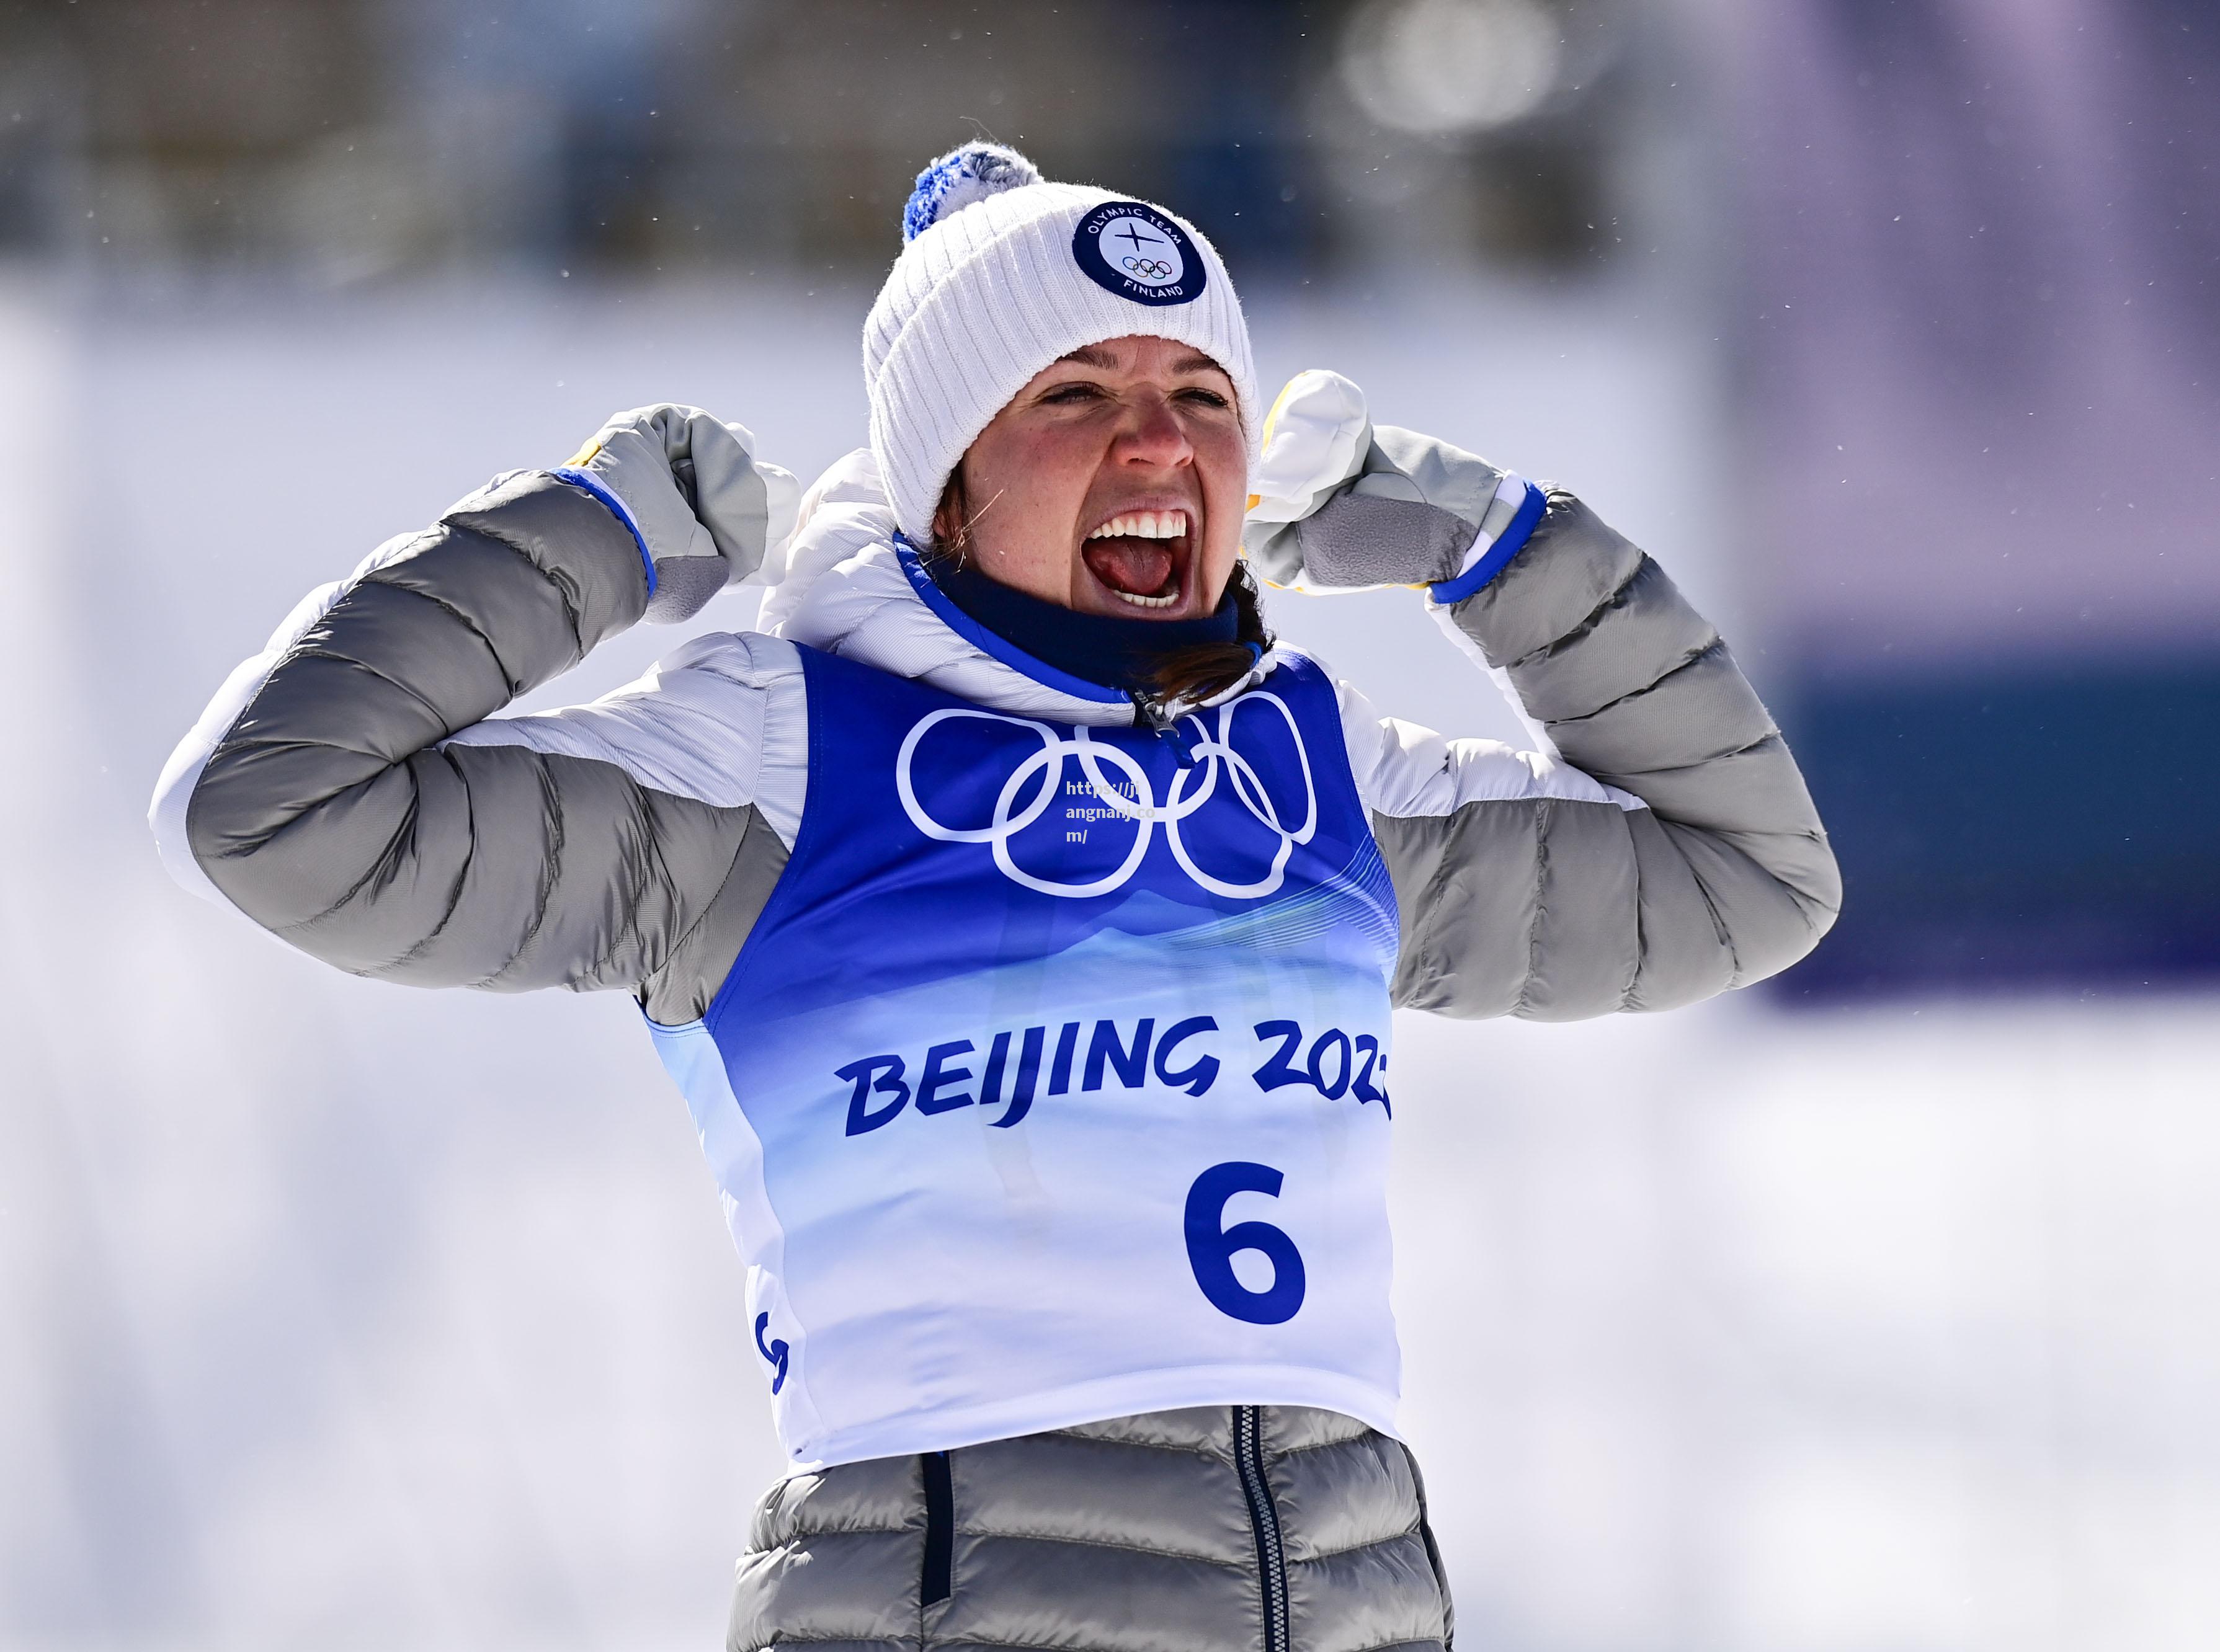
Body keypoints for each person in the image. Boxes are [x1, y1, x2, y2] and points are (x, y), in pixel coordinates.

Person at [151, 143, 1839, 1652]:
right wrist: (586, 540)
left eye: (1198, 397)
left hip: (1345, 1579)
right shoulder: (774, 754)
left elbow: (1746, 882)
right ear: (942, 477)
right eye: (1071, 395)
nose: (1155, 445)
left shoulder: (1317, 767)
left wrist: (1504, 548)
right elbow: (275, 814)